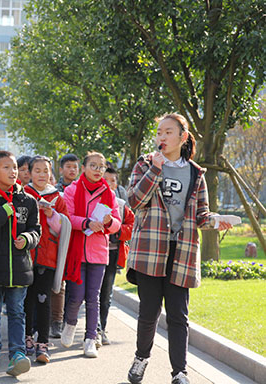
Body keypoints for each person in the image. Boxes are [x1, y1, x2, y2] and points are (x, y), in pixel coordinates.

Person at [126, 114, 233, 384]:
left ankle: (179, 373)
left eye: (168, 132)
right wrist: (155, 170)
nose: (161, 137)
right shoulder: (145, 164)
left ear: (182, 137)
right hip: (150, 249)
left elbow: (200, 214)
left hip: (181, 250)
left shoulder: (196, 173)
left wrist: (217, 221)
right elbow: (134, 201)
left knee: (178, 316)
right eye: (159, 132)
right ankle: (141, 358)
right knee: (149, 312)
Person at [0, 151, 41, 377]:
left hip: (20, 268)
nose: (13, 171)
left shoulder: (28, 200)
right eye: (6, 167)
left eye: (15, 167)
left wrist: (27, 239)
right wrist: (1, 213)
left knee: (17, 312)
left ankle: (17, 353)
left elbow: (36, 230)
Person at [61, 151, 121, 358]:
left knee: (93, 298)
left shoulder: (109, 193)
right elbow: (67, 217)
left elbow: (117, 223)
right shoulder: (72, 190)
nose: (97, 170)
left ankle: (90, 339)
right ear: (84, 167)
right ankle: (69, 324)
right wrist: (86, 223)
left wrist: (108, 222)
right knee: (76, 296)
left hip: (98, 252)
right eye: (93, 165)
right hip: (77, 251)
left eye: (101, 166)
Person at [23, 155, 69, 364]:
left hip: (48, 257)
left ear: (51, 173)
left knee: (44, 300)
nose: (42, 175)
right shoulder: (23, 193)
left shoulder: (57, 197)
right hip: (25, 256)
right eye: (37, 170)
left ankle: (43, 343)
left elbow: (62, 229)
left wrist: (51, 214)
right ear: (30, 173)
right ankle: (26, 339)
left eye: (45, 171)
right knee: (26, 300)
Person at [97, 166, 134, 346]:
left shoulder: (120, 204)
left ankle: (101, 329)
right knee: (91, 294)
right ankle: (92, 330)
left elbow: (132, 225)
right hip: (93, 254)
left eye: (113, 180)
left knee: (106, 294)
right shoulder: (92, 201)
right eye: (106, 179)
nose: (110, 184)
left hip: (112, 255)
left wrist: (117, 230)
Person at [51, 154, 80, 339]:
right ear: (61, 169)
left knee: (74, 287)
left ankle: (69, 321)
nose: (72, 170)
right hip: (59, 242)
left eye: (75, 167)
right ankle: (56, 321)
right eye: (68, 166)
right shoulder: (54, 191)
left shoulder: (81, 189)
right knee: (58, 284)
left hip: (77, 241)